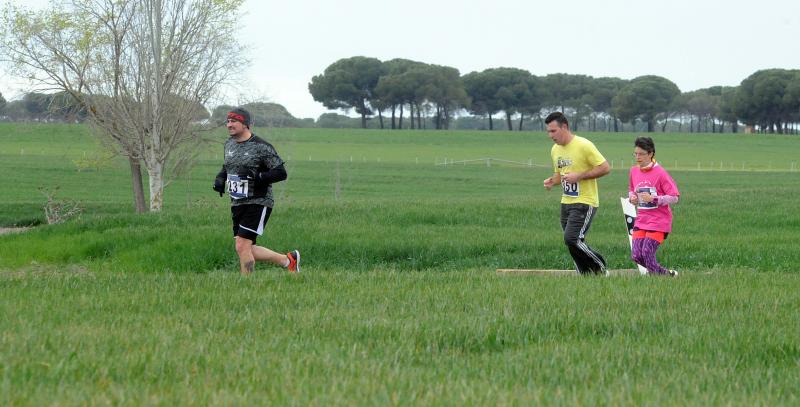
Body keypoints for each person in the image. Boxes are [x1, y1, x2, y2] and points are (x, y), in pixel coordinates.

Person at [212, 107, 300, 275]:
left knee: (241, 245)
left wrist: (256, 176)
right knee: (245, 247)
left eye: (234, 121)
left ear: (245, 124)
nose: (229, 125)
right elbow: (228, 165)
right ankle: (288, 260)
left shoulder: (261, 146)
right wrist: (220, 178)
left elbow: (281, 173)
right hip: (237, 201)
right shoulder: (229, 144)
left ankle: (247, 285)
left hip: (258, 201)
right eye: (228, 121)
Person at [542, 112, 610, 275]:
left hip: (585, 201)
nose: (550, 135)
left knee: (571, 238)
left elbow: (605, 168)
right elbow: (560, 174)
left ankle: (600, 267)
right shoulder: (555, 150)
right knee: (572, 242)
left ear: (564, 127)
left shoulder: (584, 145)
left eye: (553, 131)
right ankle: (585, 274)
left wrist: (579, 176)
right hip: (566, 202)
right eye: (548, 132)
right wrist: (552, 181)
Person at [628, 137, 680, 277]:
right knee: (637, 256)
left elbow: (674, 197)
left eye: (641, 154)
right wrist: (633, 198)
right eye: (635, 154)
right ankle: (667, 275)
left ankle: (659, 279)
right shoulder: (633, 171)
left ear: (650, 154)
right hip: (642, 220)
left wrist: (655, 199)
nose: (637, 157)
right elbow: (632, 189)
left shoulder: (661, 173)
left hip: (659, 221)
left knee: (647, 253)